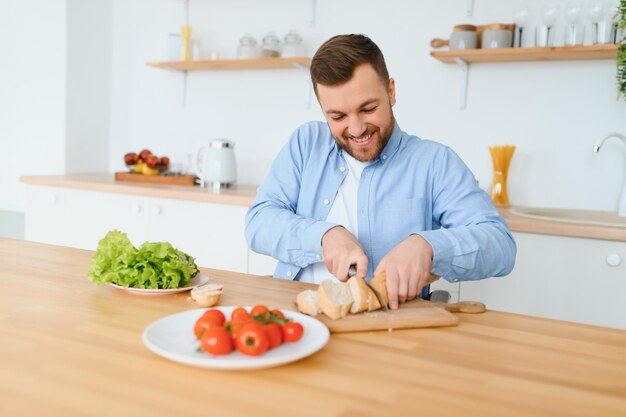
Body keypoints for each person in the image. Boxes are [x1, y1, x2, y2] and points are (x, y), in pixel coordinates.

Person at [245, 34, 516, 309]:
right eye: (338, 117)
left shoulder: (434, 162)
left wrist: (428, 246)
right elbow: (258, 223)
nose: (356, 128)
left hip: (389, 324)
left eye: (368, 108)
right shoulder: (306, 144)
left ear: (391, 92)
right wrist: (324, 237)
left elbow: (500, 246)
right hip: (297, 313)